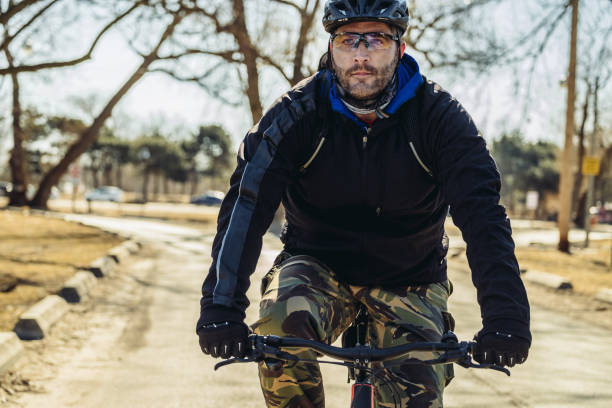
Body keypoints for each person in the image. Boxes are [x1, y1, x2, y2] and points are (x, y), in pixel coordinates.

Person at [196, 1, 531, 406]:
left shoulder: (440, 119)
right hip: (315, 266)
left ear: (400, 48)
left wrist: (506, 318)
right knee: (281, 326)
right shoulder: (295, 115)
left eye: (377, 39)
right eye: (347, 39)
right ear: (332, 47)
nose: (361, 54)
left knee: (416, 392)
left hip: (411, 277)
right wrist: (221, 307)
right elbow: (246, 207)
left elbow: (485, 218)